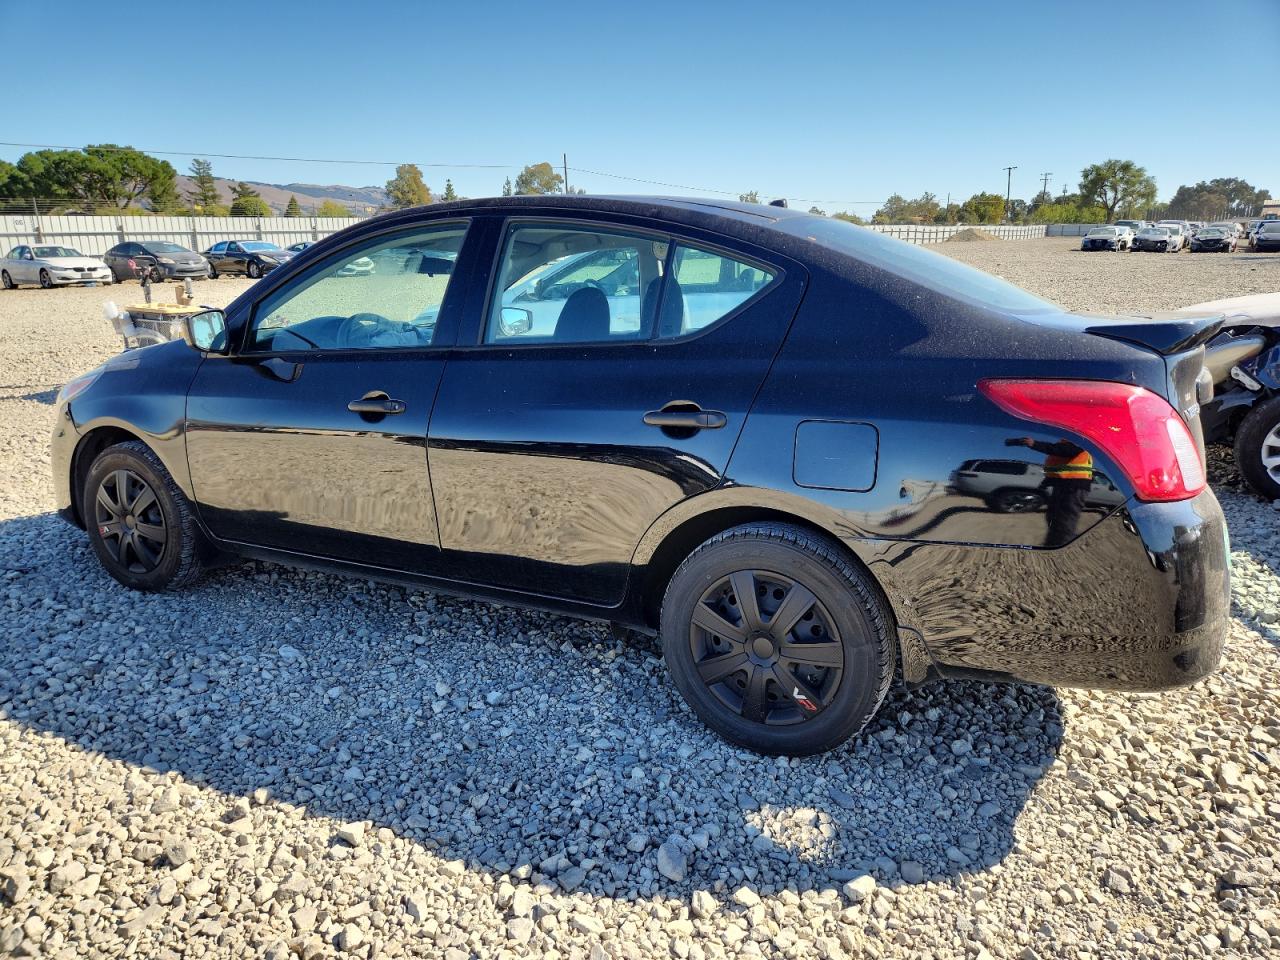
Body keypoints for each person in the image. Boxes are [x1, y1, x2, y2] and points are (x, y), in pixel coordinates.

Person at [1008, 437, 1094, 547]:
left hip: (1074, 487)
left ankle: (1062, 545)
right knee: (1053, 516)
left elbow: (1059, 450)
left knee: (1064, 518)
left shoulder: (1076, 443)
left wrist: (1034, 443)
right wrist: (1044, 484)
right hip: (1064, 486)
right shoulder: (1067, 447)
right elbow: (1060, 469)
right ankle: (1057, 542)